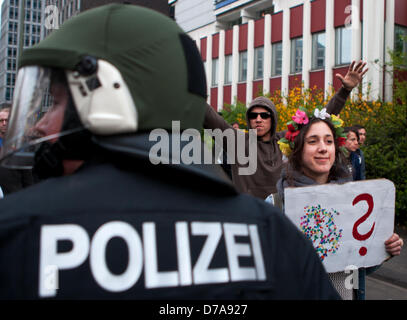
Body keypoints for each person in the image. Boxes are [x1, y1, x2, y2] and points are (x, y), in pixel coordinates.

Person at [0, 4, 340, 300]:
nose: (40, 125)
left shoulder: (17, 234)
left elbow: (316, 127)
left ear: (108, 103)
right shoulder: (274, 236)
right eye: (254, 115)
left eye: (56, 102)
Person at [274, 108, 404, 300]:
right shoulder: (275, 205)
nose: (323, 148)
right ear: (298, 149)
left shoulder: (352, 201)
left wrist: (384, 250)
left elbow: (358, 267)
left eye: (329, 141)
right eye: (312, 141)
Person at [204, 61, 368, 199]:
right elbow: (210, 118)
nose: (258, 119)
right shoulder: (236, 141)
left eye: (264, 115)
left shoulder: (287, 140)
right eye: (253, 115)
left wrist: (344, 91)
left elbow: (321, 120)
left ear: (273, 118)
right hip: (250, 218)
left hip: (284, 217)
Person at [0, 107, 34, 195]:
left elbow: (28, 178)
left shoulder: (22, 146)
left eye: (6, 120)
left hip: (14, 197)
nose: (4, 123)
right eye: (1, 120)